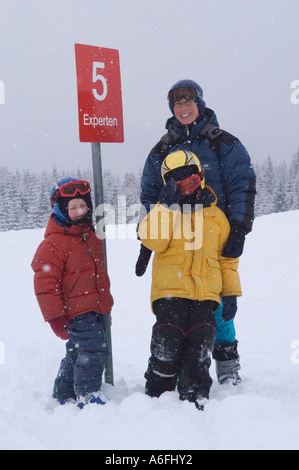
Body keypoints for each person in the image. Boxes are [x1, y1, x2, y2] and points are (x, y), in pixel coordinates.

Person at [136, 79, 256, 385]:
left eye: (188, 102)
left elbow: (242, 184)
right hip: (175, 238)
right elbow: (150, 195)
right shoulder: (161, 149)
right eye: (177, 104)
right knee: (184, 309)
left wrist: (238, 228)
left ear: (199, 104)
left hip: (215, 232)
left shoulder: (223, 143)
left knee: (217, 307)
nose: (183, 108)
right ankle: (183, 368)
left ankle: (228, 368)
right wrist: (146, 241)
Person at [138, 150, 242, 410]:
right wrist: (165, 207)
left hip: (206, 295)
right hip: (170, 291)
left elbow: (226, 260)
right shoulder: (164, 213)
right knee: (167, 344)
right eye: (178, 185)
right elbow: (152, 240)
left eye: (191, 182)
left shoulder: (217, 217)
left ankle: (195, 394)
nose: (186, 190)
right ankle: (158, 393)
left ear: (202, 178)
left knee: (200, 347)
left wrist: (229, 293)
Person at [31, 177, 114, 408]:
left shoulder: (90, 234)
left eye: (83, 205)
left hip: (97, 305)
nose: (79, 211)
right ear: (60, 210)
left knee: (78, 349)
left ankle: (63, 390)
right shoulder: (54, 243)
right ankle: (87, 394)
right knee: (93, 348)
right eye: (73, 207)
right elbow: (45, 283)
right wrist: (54, 316)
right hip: (76, 310)